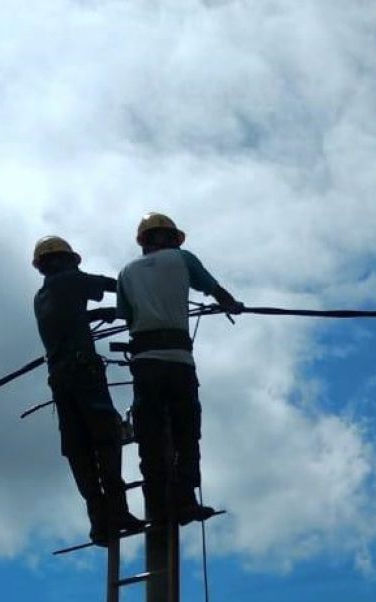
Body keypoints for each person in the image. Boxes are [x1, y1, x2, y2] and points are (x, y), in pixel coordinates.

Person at [116, 213, 243, 525]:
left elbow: (127, 317)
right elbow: (213, 288)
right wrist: (231, 304)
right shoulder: (182, 259)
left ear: (143, 242)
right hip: (177, 361)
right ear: (173, 238)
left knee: (150, 436)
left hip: (145, 361)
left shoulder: (126, 272)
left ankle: (157, 506)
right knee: (185, 433)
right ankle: (184, 501)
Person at [31, 235, 143, 546]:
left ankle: (99, 522)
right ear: (67, 261)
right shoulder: (72, 280)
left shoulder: (42, 295)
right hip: (84, 372)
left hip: (60, 379)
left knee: (79, 449)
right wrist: (144, 285)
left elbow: (68, 317)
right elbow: (113, 285)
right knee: (106, 438)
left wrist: (96, 315)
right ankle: (118, 511)